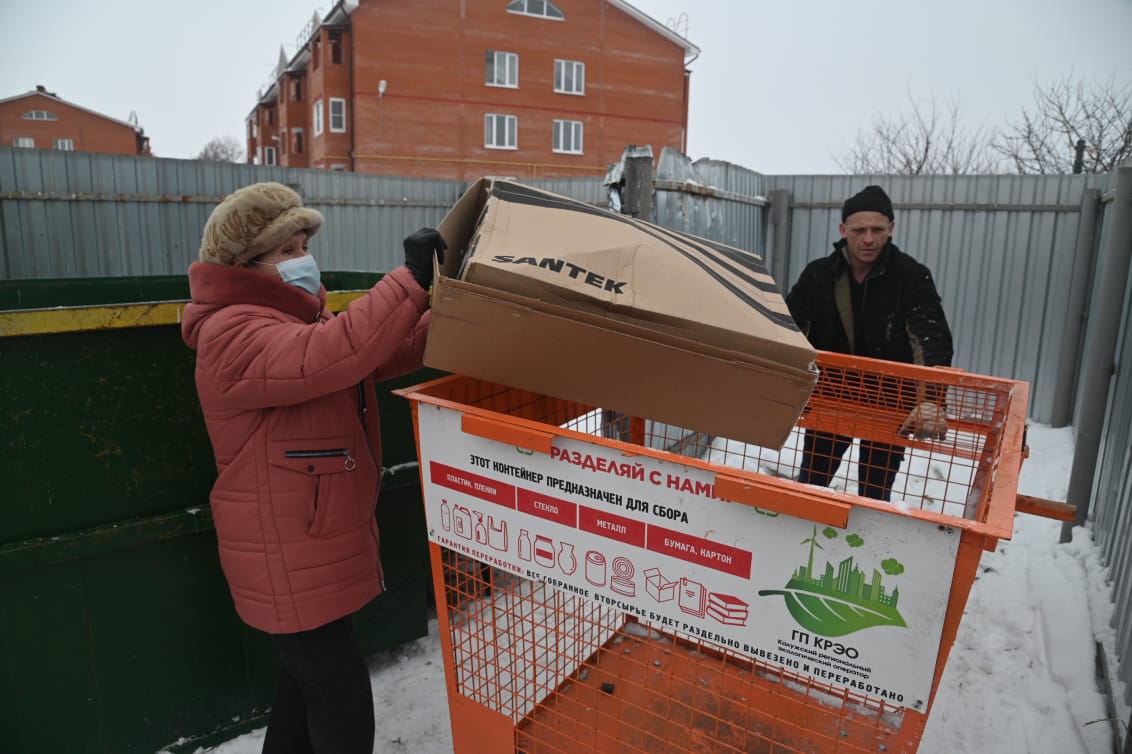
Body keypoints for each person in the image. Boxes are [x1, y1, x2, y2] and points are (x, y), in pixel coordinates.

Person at [181, 181, 446, 754]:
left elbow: (375, 352)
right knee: (339, 694)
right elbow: (333, 355)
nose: (304, 259)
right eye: (287, 249)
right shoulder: (232, 333)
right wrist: (409, 281)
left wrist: (444, 307)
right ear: (245, 265)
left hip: (304, 544)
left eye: (304, 243)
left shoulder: (293, 320)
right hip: (284, 551)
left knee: (308, 686)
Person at [785, 185, 953, 501]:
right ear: (843, 229)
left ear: (891, 229)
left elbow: (931, 338)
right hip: (832, 398)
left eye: (877, 229)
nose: (868, 239)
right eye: (859, 229)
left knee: (874, 496)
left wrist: (931, 399)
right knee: (810, 487)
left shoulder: (912, 277)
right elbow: (788, 328)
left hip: (890, 403)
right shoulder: (819, 275)